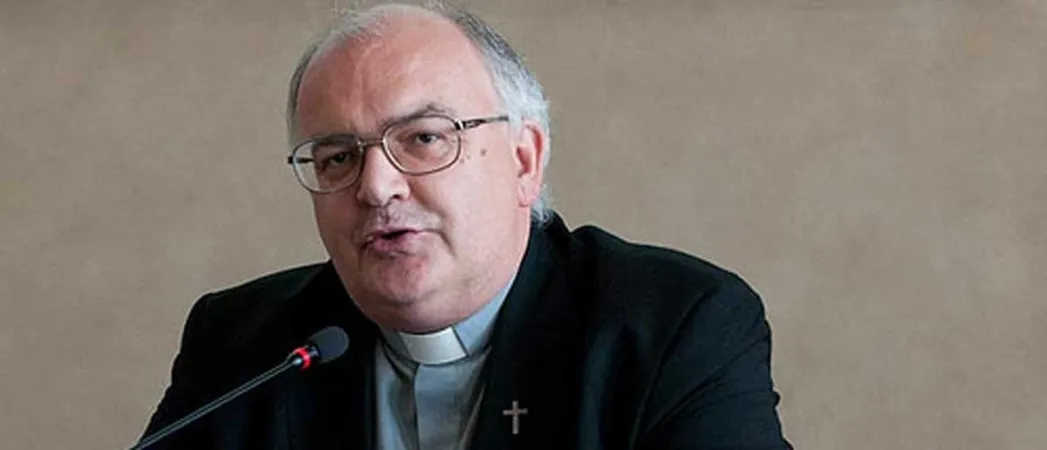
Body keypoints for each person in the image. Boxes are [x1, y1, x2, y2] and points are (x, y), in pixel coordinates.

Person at [139, 2, 792, 449]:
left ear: (524, 160)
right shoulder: (244, 347)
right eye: (337, 157)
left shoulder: (674, 327)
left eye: (424, 138)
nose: (376, 186)